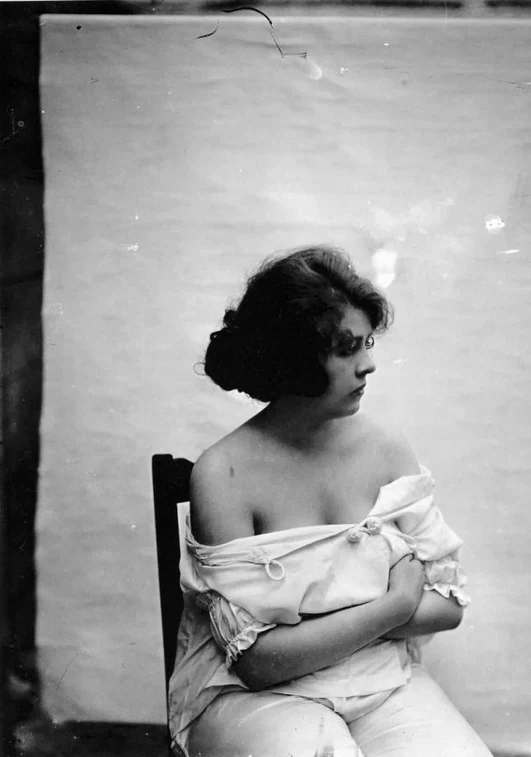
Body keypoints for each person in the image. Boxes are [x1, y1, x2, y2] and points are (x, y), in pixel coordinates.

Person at [169, 246, 492, 757]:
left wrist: (309, 632)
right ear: (294, 357)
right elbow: (257, 663)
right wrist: (394, 604)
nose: (369, 365)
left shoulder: (386, 448)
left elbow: (447, 606)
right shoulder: (223, 472)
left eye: (367, 344)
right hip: (253, 697)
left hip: (381, 680)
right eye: (346, 349)